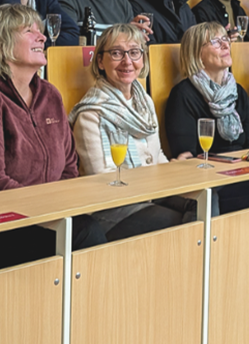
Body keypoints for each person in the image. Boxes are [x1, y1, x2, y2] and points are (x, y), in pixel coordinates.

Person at [0, 4, 105, 269]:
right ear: (0, 43)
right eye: (29, 31)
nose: (41, 37)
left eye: (40, 31)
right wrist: (49, 211)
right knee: (83, 233)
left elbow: (69, 168)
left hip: (44, 216)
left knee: (91, 229)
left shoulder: (50, 94)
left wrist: (54, 211)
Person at [69, 24, 193, 239]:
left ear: (142, 59)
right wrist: (155, 181)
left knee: (204, 201)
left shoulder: (143, 100)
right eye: (116, 53)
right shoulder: (91, 113)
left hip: (152, 192)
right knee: (176, 224)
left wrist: (174, 171)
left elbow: (157, 156)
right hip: (114, 207)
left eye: (135, 52)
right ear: (100, 61)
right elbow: (102, 178)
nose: (127, 61)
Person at [165, 22, 249, 158]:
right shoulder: (182, 95)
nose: (226, 45)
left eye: (225, 39)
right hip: (206, 174)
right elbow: (185, 156)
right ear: (196, 53)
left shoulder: (238, 91)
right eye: (215, 42)